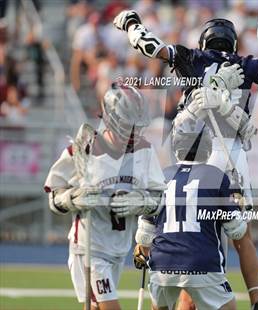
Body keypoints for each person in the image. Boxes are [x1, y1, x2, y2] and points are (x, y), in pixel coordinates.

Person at [113, 11, 258, 309]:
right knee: (242, 237)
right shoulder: (245, 65)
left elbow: (149, 46)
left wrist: (130, 24)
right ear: (232, 42)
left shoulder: (191, 57)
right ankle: (255, 298)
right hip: (233, 157)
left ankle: (177, 290)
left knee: (187, 231)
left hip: (193, 153)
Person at [44, 84, 167, 310]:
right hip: (89, 247)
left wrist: (140, 203)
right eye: (127, 124)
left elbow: (160, 199)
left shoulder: (144, 150)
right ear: (111, 119)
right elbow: (53, 194)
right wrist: (73, 198)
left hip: (119, 248)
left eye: (136, 125)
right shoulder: (86, 148)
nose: (133, 132)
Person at [135, 119, 248, 310]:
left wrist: (140, 249)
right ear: (206, 145)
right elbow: (237, 232)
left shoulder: (162, 175)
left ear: (177, 144)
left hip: (163, 263)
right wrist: (239, 206)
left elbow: (144, 235)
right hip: (202, 264)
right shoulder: (217, 176)